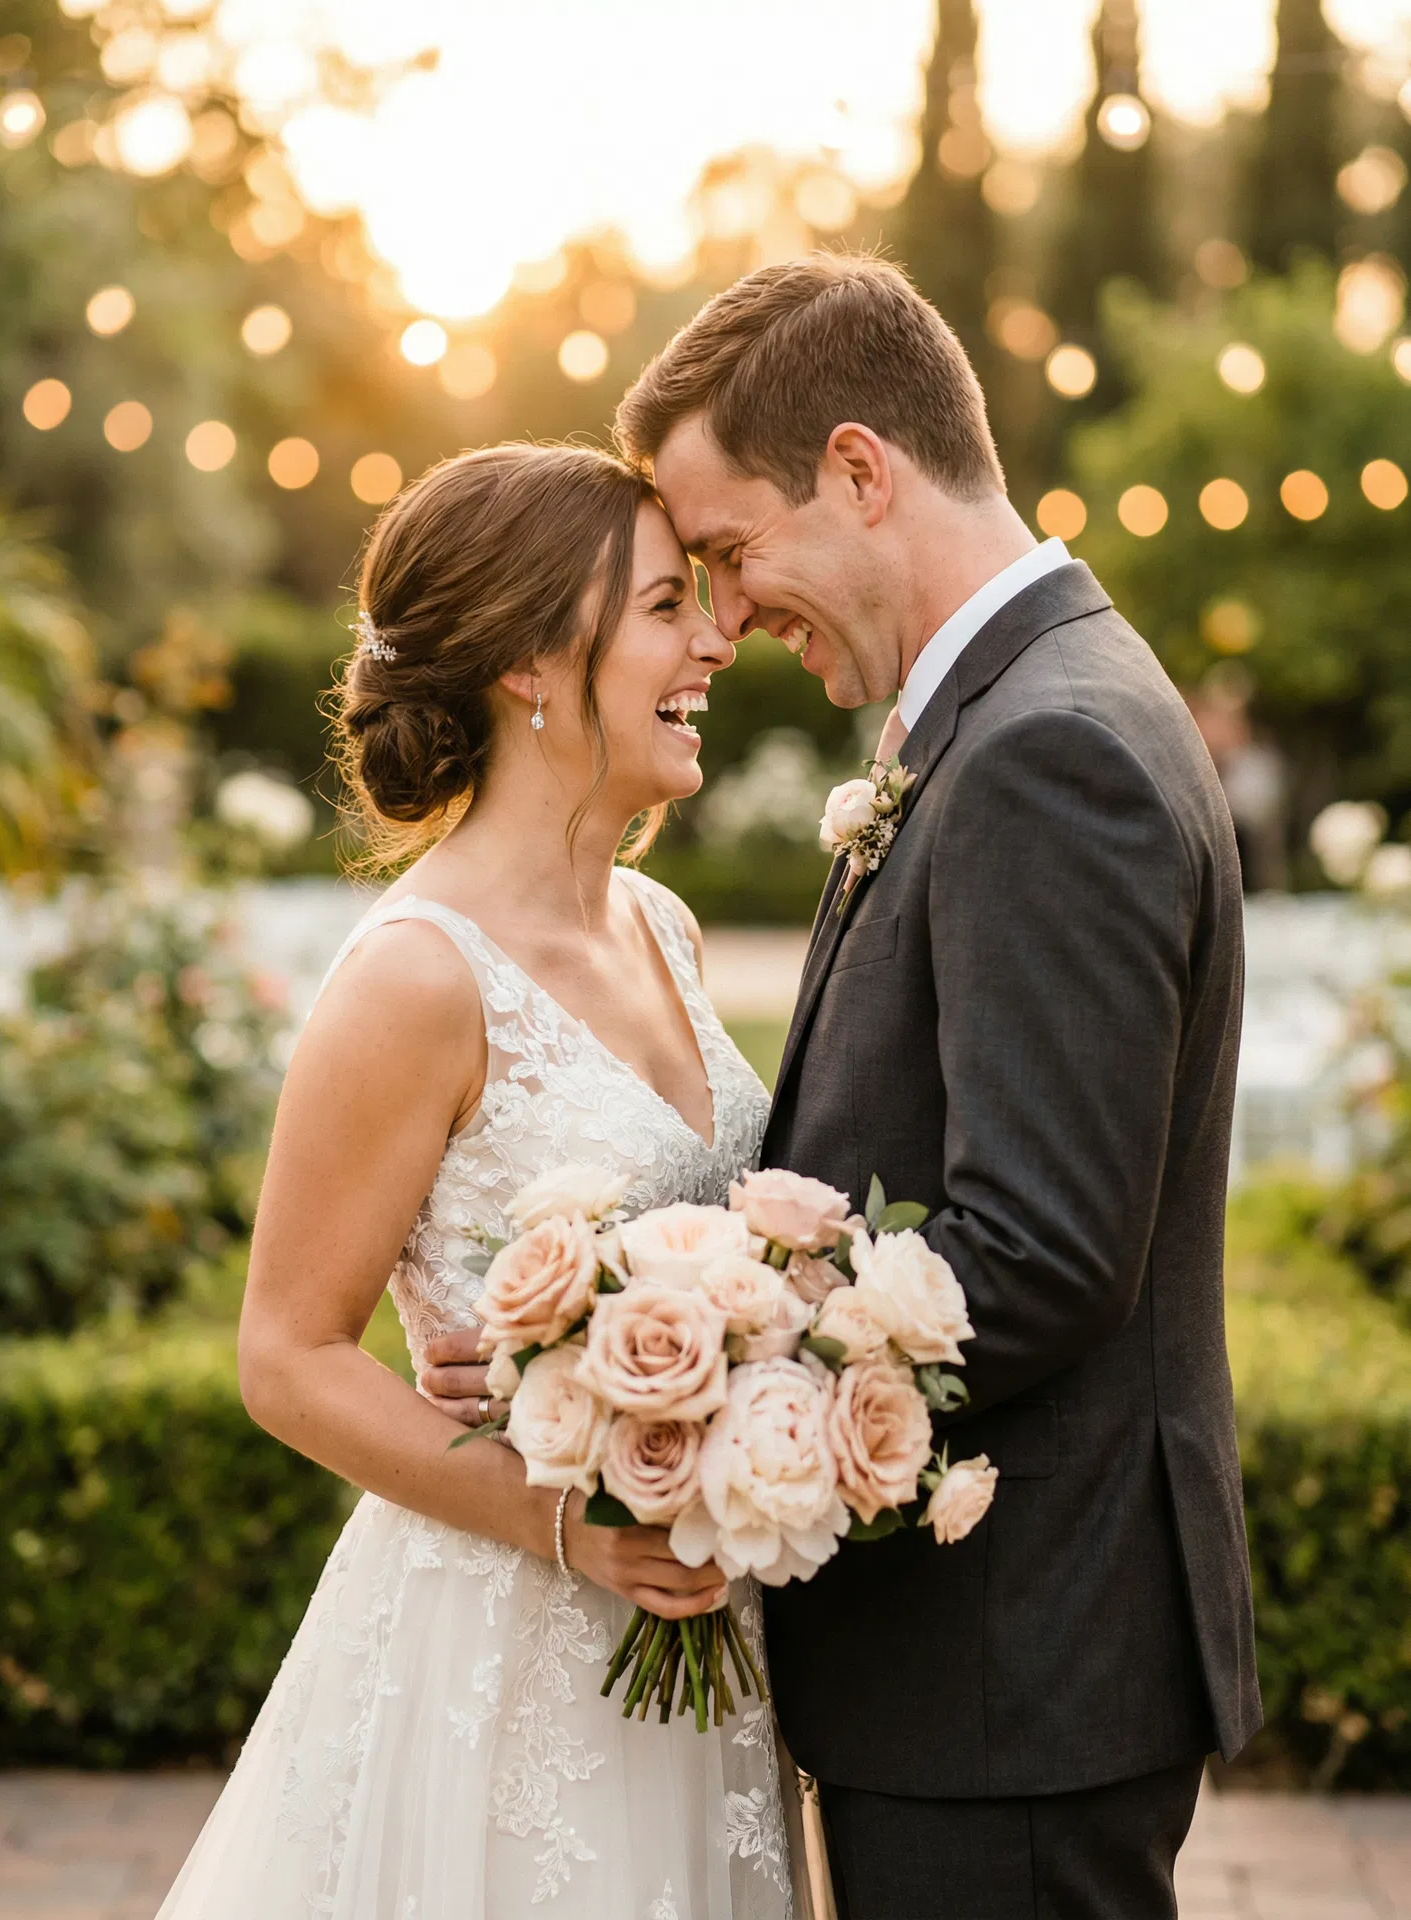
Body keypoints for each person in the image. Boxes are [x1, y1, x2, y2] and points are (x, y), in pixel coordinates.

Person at [434, 254, 1262, 1918]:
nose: (728, 619)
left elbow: (1032, 1254)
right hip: (986, 1669)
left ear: (862, 472)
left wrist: (661, 1390)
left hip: (1009, 1668)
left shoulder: (1045, 750)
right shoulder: (1011, 713)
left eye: (732, 554)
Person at [155, 444, 793, 1919]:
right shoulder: (416, 976)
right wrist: (562, 1522)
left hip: (706, 1640)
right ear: (528, 663)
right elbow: (285, 1352)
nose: (712, 640)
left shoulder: (663, 926)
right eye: (660, 607)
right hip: (505, 1651)